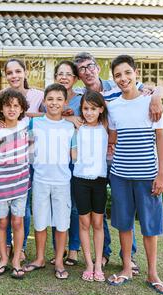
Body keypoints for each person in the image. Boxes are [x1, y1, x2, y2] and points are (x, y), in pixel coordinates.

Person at [73, 52, 163, 273]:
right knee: (119, 219)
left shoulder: (138, 97)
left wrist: (157, 96)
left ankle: (140, 265)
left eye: (90, 66)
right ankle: (114, 260)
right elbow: (109, 134)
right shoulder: (93, 100)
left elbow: (160, 133)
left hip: (141, 170)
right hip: (113, 170)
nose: (123, 78)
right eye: (81, 69)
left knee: (146, 223)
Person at [106, 55, 163, 295]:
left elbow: (160, 137)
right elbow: (113, 139)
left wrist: (161, 173)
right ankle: (126, 268)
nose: (123, 78)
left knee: (150, 226)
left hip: (148, 176)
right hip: (120, 176)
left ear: (136, 73)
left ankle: (152, 273)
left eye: (126, 73)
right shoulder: (113, 106)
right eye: (117, 75)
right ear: (113, 80)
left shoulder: (151, 103)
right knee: (124, 224)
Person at [0, 58, 44, 262]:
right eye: (10, 72)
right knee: (3, 206)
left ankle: (20, 248)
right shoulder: (1, 96)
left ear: (25, 72)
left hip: (27, 155)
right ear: (5, 76)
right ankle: (6, 246)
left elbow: (49, 114)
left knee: (22, 207)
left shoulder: (38, 94)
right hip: (5, 157)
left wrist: (26, 114)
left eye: (18, 71)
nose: (14, 75)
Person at [23, 84, 75, 280]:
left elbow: (75, 154)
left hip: (62, 181)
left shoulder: (70, 127)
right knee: (41, 221)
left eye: (59, 99)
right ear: (44, 102)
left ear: (65, 103)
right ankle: (39, 258)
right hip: (40, 180)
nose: (54, 103)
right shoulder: (35, 124)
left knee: (62, 223)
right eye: (50, 99)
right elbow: (27, 151)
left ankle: (59, 261)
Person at [0, 89, 30, 280]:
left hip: (21, 185)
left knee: (18, 221)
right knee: (2, 222)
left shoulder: (25, 126)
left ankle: (16, 261)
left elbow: (31, 149)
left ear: (21, 108)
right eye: (8, 105)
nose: (12, 109)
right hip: (2, 186)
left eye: (16, 105)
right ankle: (3, 259)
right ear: (1, 109)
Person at [71, 90, 109, 282]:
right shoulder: (77, 127)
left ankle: (98, 265)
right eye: (86, 108)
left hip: (100, 180)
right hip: (80, 180)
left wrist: (151, 90)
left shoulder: (106, 126)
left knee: (98, 224)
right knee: (84, 223)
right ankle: (88, 264)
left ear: (101, 109)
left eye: (93, 109)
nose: (89, 112)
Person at [48, 60, 82, 266]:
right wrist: (64, 117)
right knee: (56, 205)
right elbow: (43, 117)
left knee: (74, 206)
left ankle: (74, 249)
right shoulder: (51, 98)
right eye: (60, 73)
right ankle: (57, 250)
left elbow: (86, 120)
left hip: (75, 159)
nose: (64, 77)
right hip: (54, 160)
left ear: (75, 78)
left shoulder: (81, 98)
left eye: (68, 74)